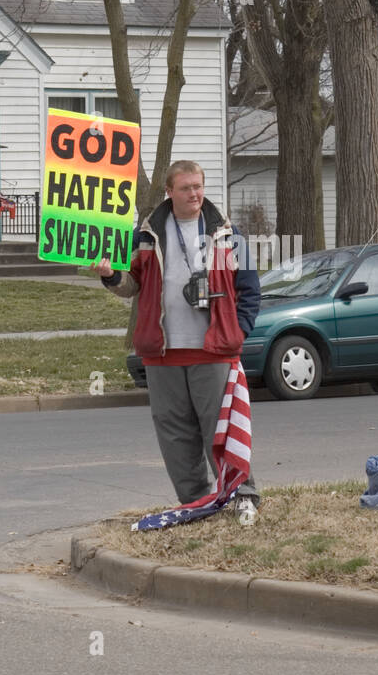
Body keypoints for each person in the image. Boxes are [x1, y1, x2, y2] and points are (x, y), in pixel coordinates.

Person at [95, 160, 261, 524]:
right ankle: (196, 505)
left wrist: (238, 332)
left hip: (213, 350)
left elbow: (250, 289)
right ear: (169, 192)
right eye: (186, 188)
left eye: (198, 186)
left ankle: (240, 495)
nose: (195, 194)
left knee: (220, 427)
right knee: (174, 434)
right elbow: (132, 285)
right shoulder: (146, 235)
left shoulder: (229, 235)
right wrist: (110, 276)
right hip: (162, 352)